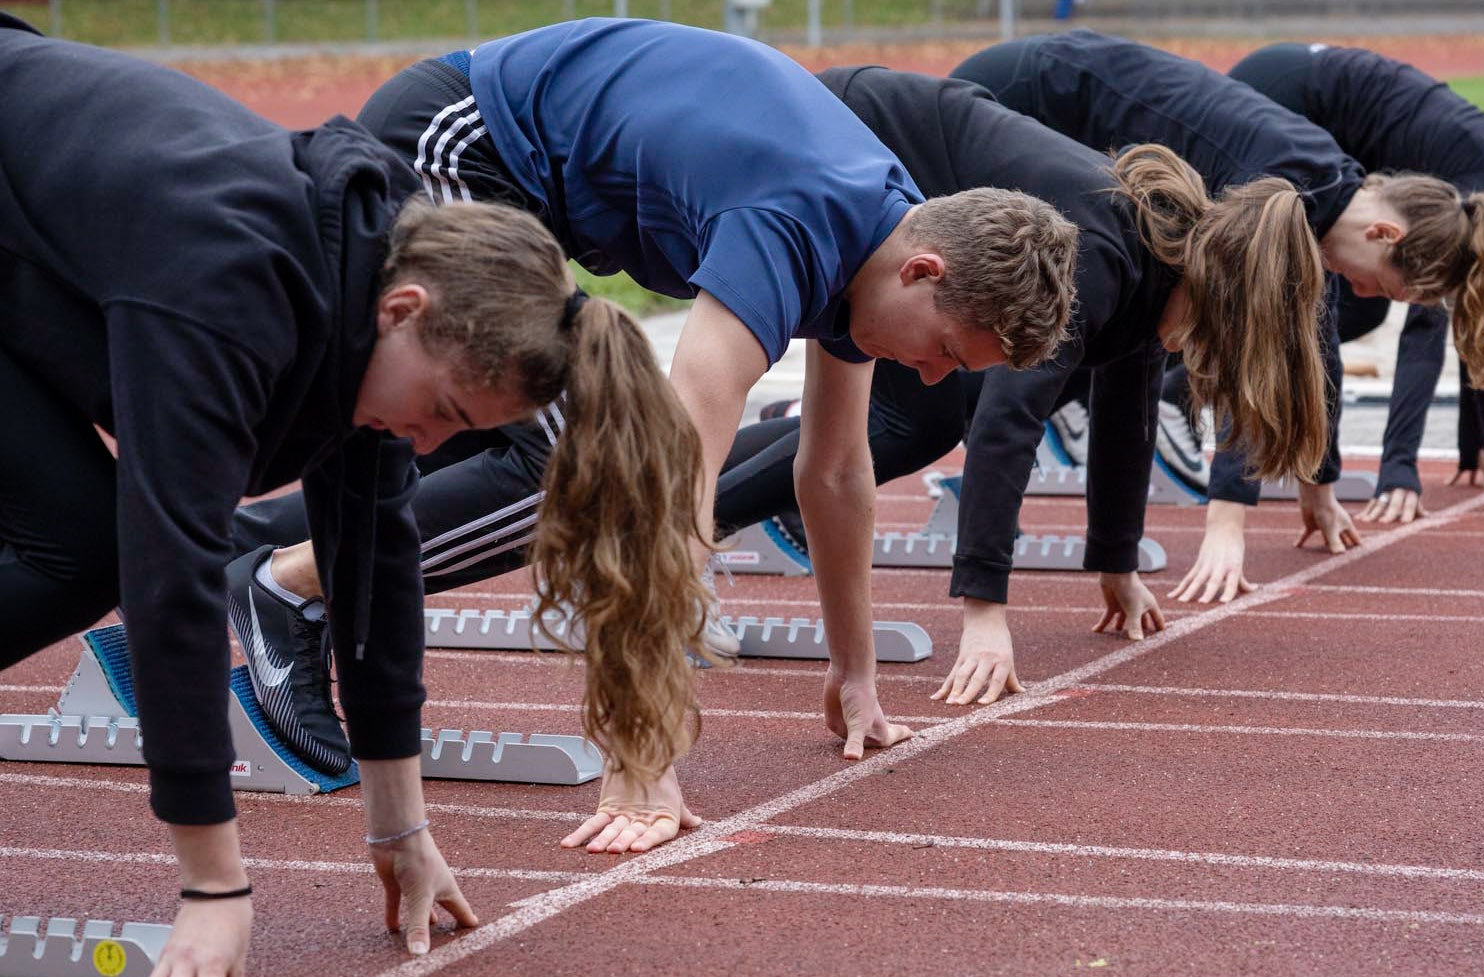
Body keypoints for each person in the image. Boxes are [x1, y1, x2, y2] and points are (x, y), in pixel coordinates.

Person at [223, 19, 1081, 855]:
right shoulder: (794, 220)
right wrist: (642, 761)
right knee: (586, 457)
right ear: (922, 271)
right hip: (455, 139)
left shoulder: (880, 235)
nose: (930, 380)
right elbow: (665, 499)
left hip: (533, 182)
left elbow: (835, 471)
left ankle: (262, 562)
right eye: (941, 352)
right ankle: (288, 584)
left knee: (506, 434)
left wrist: (853, 671)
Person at [0, 14, 666, 972]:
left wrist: (399, 826)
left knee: (73, 541)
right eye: (438, 408)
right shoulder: (229, 282)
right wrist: (213, 885)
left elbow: (375, 558)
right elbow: (173, 573)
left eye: (458, 434)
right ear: (404, 313)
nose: (430, 443)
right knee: (91, 546)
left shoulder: (378, 267)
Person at [716, 63, 1335, 707]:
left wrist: (1116, 562)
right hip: (848, 133)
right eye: (1213, 343)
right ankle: (669, 534)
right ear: (1218, 299)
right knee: (908, 424)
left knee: (904, 422)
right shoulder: (1099, 263)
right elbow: (1009, 421)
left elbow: (1127, 417)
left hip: (876, 138)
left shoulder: (1164, 262)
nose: (1194, 357)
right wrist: (984, 611)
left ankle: (667, 498)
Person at [953, 30, 1484, 615]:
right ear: (1385, 235)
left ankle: (1022, 439)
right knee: (998, 370)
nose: (1368, 294)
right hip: (1024, 94)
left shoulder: (1326, 196)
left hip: (1066, 106)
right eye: (1381, 282)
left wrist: (1319, 481)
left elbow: (1315, 342)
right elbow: (1250, 356)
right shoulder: (1281, 191)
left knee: (1115, 344)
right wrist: (1226, 524)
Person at [1226, 42, 1484, 522]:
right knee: (1303, 297)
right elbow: (1429, 321)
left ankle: (1230, 412)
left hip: (1302, 86)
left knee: (1362, 304)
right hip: (1287, 91)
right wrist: (1399, 466)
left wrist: (1475, 437)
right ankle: (1187, 406)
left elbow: (1482, 308)